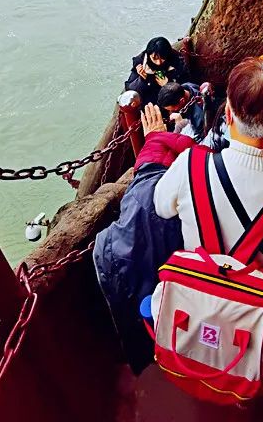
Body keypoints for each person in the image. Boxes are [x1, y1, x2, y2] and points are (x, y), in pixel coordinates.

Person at [154, 57, 263, 287]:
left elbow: (161, 207)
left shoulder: (189, 165)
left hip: (198, 296)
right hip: (261, 306)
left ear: (228, 113)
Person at [93, 103, 200, 374]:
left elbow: (151, 175)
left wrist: (155, 138)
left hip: (133, 280)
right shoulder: (196, 172)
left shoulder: (146, 188)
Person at [124, 36, 190, 106]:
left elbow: (186, 85)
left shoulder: (177, 62)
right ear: (149, 55)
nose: (158, 62)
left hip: (169, 103)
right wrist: (142, 80)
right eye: (154, 58)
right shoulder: (141, 62)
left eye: (162, 58)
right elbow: (130, 89)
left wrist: (168, 85)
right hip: (148, 101)